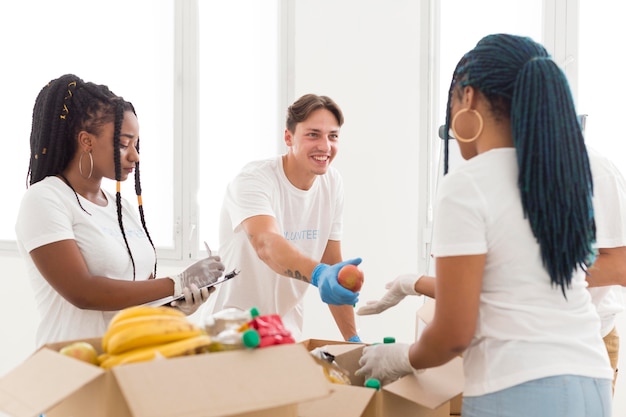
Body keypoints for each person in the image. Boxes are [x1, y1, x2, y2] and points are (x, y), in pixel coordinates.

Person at [355, 34, 613, 417]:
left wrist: (401, 357)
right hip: (592, 384)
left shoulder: (468, 183)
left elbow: (454, 333)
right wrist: (412, 282)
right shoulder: (562, 179)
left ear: (469, 98)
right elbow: (513, 286)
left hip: (519, 391)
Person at [357, 131, 626, 397]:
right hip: (506, 345)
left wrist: (407, 357)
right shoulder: (488, 178)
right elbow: (487, 285)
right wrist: (414, 283)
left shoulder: (595, 170)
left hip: (583, 344)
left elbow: (620, 267)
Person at [15, 74, 225, 347]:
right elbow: (83, 292)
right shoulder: (44, 199)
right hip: (72, 366)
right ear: (86, 141)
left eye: (136, 145)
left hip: (127, 360)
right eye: (124, 144)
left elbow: (134, 305)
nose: (135, 156)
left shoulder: (120, 207)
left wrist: (177, 304)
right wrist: (177, 282)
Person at [207, 93, 362, 342]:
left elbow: (333, 263)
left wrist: (354, 340)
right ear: (288, 137)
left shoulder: (332, 183)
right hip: (234, 328)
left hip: (285, 330)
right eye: (313, 134)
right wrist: (318, 274)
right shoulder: (254, 179)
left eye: (333, 136)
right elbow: (266, 243)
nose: (325, 146)